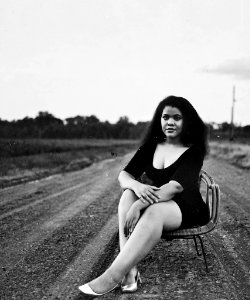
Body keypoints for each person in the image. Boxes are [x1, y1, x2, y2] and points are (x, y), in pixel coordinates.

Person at [78, 95, 209, 296]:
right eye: (165, 117)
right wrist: (136, 187)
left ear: (187, 121)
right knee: (127, 195)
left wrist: (139, 205)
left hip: (184, 207)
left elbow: (175, 188)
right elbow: (124, 175)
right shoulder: (152, 145)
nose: (170, 122)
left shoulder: (193, 151)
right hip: (155, 201)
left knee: (153, 210)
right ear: (160, 119)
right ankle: (130, 272)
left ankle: (112, 276)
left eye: (177, 118)